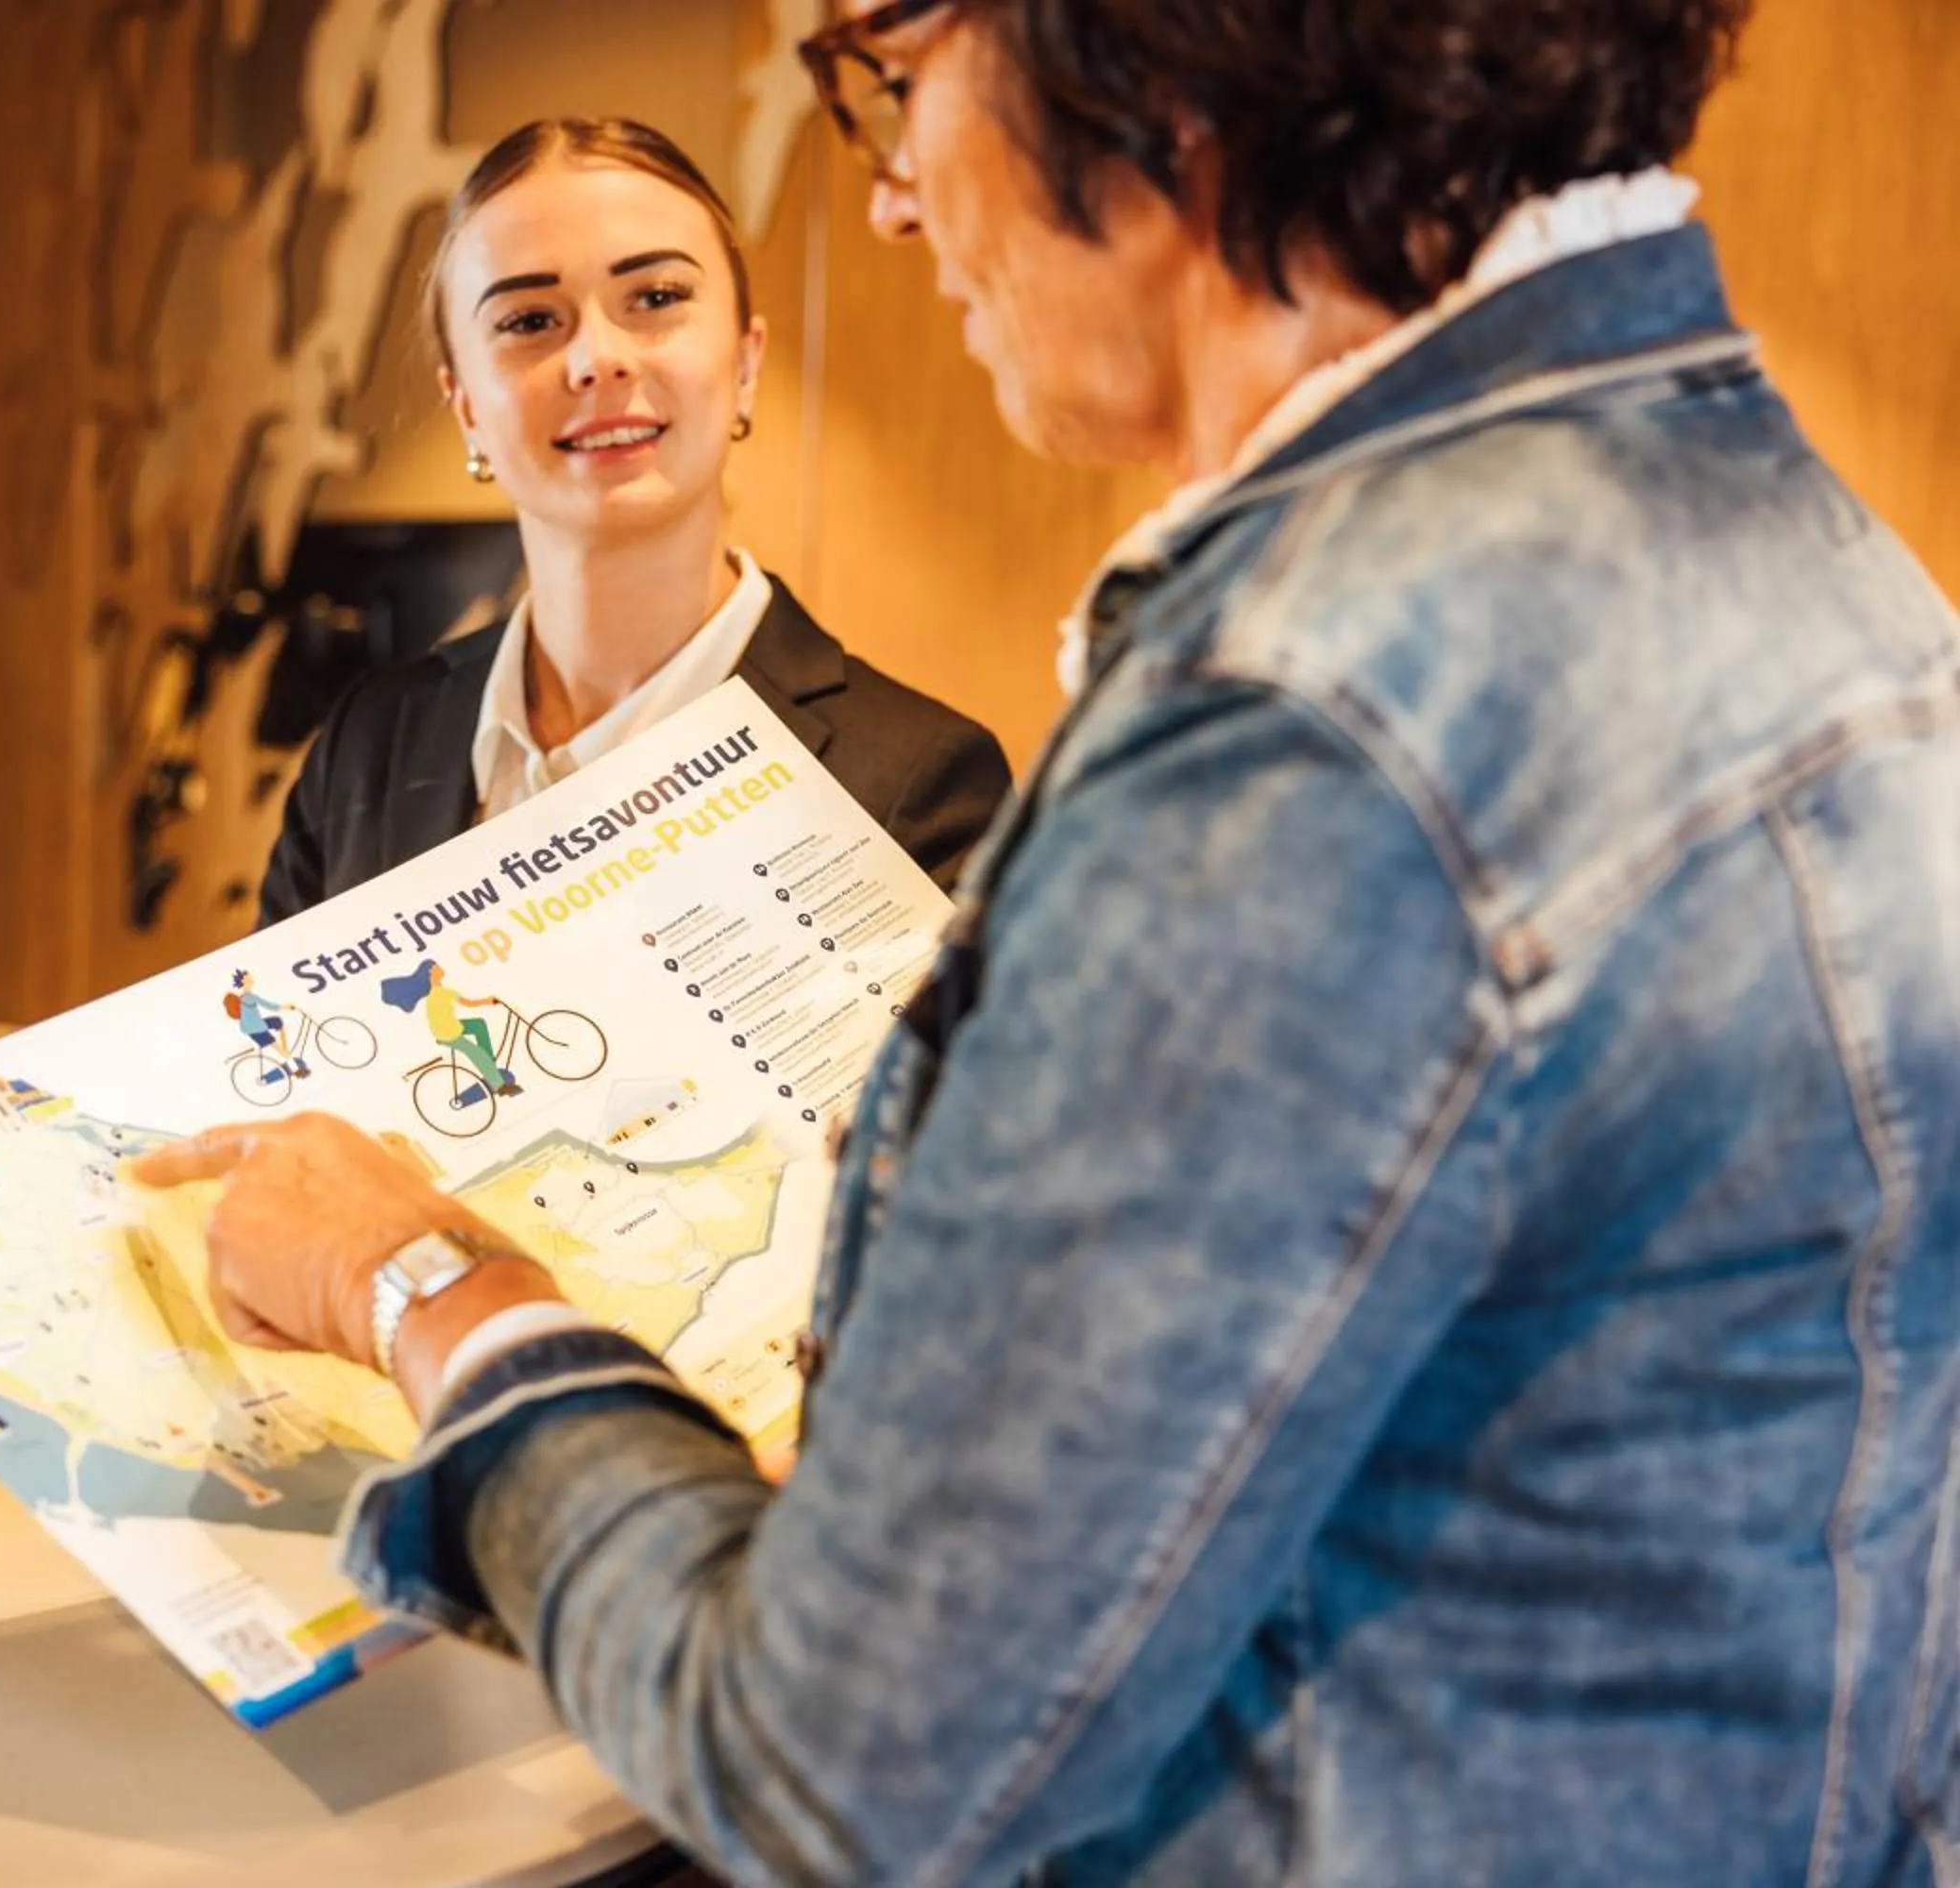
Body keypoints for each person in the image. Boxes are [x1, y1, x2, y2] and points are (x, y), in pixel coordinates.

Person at [143, 2, 1960, 1882]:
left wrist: (419, 1282)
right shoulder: (1804, 544)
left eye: (893, 74)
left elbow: (842, 1763)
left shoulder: (1306, 724)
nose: (906, 196)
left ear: (1151, 66)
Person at [255, 117, 1012, 926]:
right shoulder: (365, 749)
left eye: (655, 299)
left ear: (746, 362)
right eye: (530, 321)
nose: (597, 360)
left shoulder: (919, 780)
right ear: (467, 405)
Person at [381, 959, 519, 1104]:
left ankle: (489, 1061)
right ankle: (499, 1086)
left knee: (478, 1025)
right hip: (448, 1034)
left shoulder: (441, 992)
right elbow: (469, 1003)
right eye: (436, 967)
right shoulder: (439, 994)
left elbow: (464, 1006)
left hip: (453, 1026)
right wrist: (487, 1001)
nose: (440, 967)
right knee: (476, 1053)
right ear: (430, 974)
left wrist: (488, 1001)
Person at [223, 969, 307, 1083]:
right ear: (244, 981)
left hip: (255, 1026)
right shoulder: (249, 997)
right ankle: (295, 1068)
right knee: (276, 1047)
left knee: (277, 1021)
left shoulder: (243, 997)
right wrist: (286, 1007)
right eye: (249, 977)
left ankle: (285, 1049)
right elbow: (270, 1006)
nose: (252, 978)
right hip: (257, 1029)